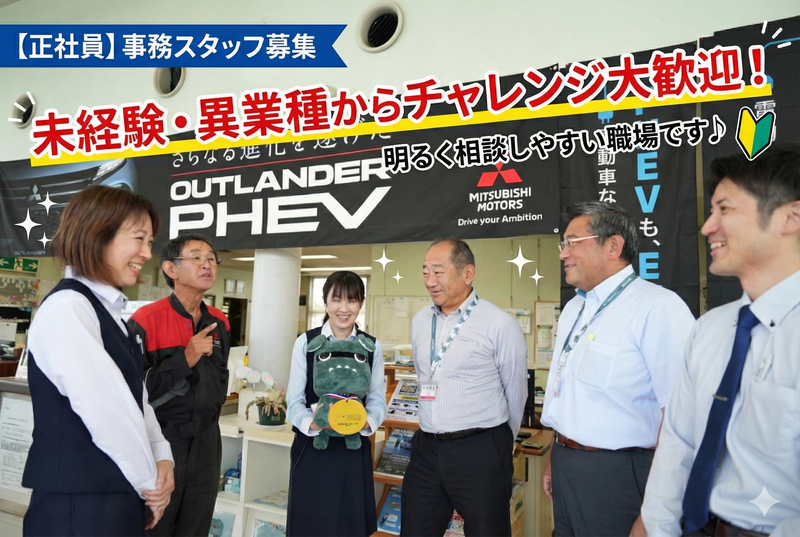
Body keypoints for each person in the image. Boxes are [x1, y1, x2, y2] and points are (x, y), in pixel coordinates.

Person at [639, 144, 800, 537]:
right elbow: (678, 444)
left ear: (790, 217)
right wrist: (655, 527)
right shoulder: (710, 329)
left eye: (724, 209)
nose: (708, 226)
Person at [22, 186, 175, 536]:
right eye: (139, 238)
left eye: (150, 241)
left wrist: (162, 455)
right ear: (97, 234)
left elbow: (134, 398)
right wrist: (150, 486)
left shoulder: (108, 312)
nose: (146, 253)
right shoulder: (68, 308)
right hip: (80, 504)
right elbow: (107, 412)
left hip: (113, 492)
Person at [540, 201, 695, 537]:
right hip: (566, 464)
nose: (563, 254)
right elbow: (569, 393)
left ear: (613, 245)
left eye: (572, 242)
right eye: (563, 244)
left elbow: (682, 417)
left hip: (620, 473)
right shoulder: (574, 308)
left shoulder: (658, 308)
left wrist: (659, 507)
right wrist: (557, 453)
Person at [401, 239, 528, 537]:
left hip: (479, 449)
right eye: (425, 272)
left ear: (467, 273)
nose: (430, 281)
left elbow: (516, 393)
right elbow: (424, 374)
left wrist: (498, 444)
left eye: (438, 272)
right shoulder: (421, 321)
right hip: (427, 448)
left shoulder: (499, 324)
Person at [127, 234, 231, 537]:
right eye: (196, 257)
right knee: (155, 526)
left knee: (197, 526)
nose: (207, 265)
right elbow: (131, 391)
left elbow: (220, 377)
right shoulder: (146, 320)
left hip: (208, 440)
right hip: (163, 439)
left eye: (211, 258)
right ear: (171, 269)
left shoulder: (220, 322)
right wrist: (185, 359)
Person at [286, 271, 387, 536]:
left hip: (353, 451)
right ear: (326, 302)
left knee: (351, 527)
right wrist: (312, 423)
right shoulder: (306, 342)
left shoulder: (371, 347)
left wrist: (367, 422)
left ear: (361, 303)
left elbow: (377, 398)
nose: (344, 308)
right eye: (337, 300)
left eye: (351, 300)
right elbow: (294, 401)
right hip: (313, 449)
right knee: (310, 527)